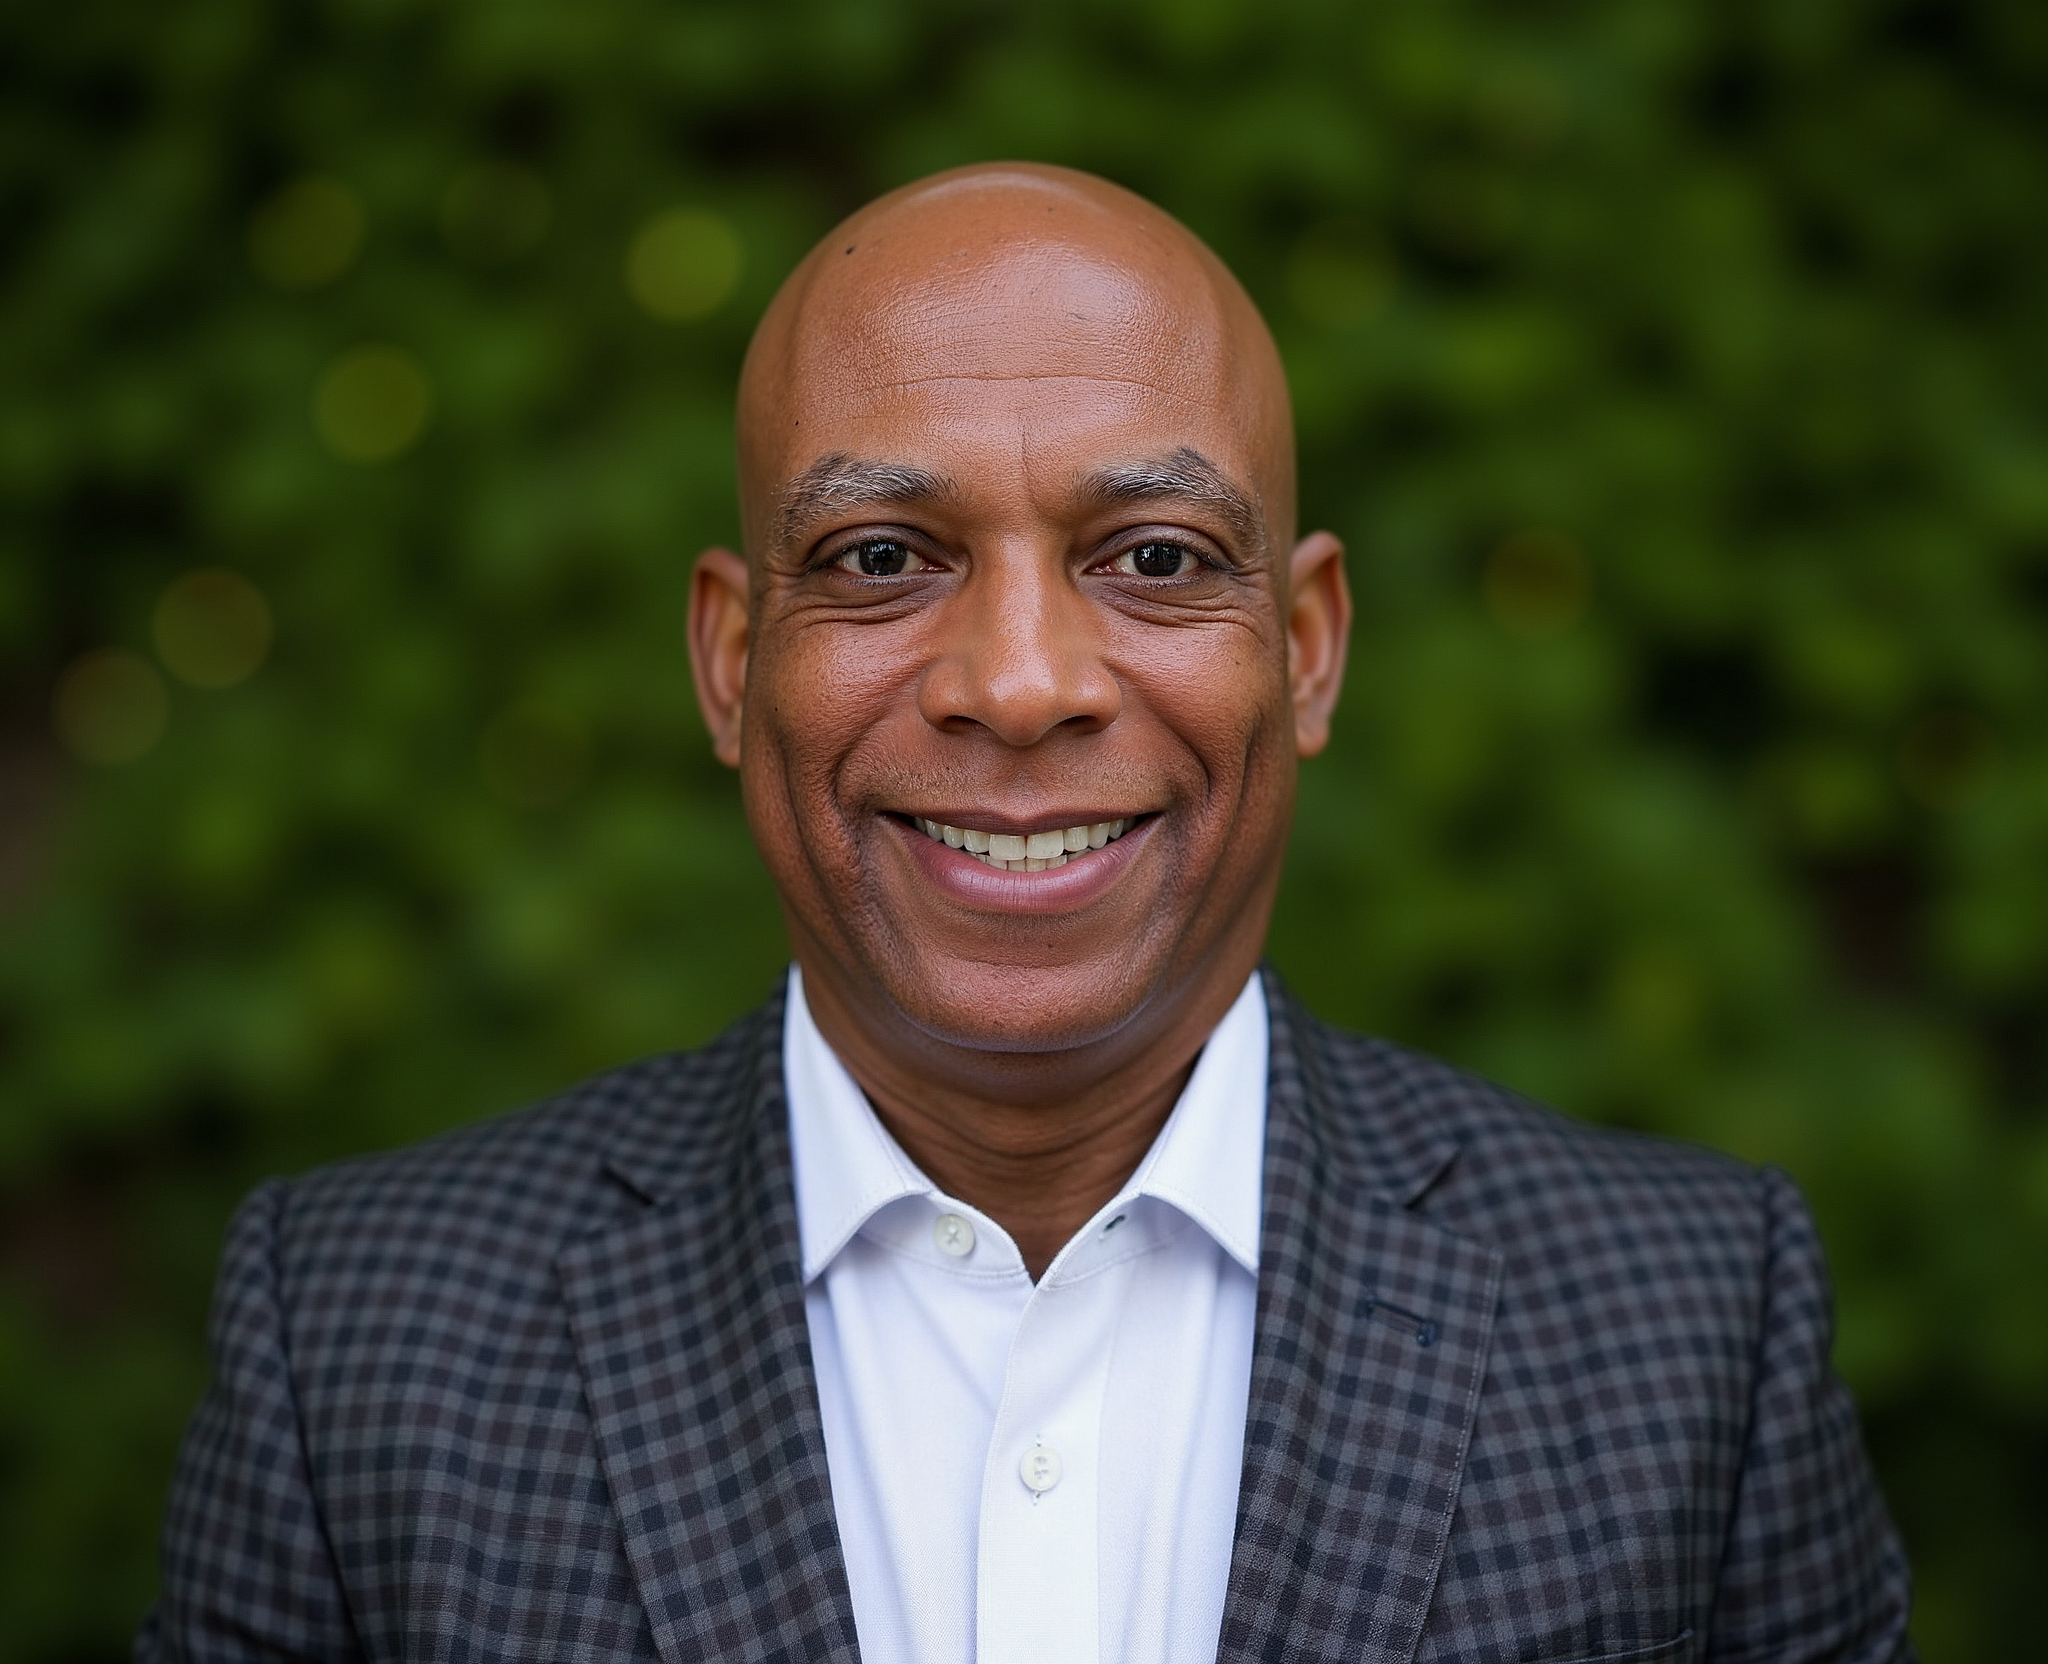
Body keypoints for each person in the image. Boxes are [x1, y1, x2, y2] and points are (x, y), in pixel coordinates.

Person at [141, 163, 1912, 1664]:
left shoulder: (1693, 1324)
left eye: (1154, 559)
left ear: (1304, 651)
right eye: (881, 560)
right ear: (732, 661)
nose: (1018, 682)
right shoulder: (357, 1343)